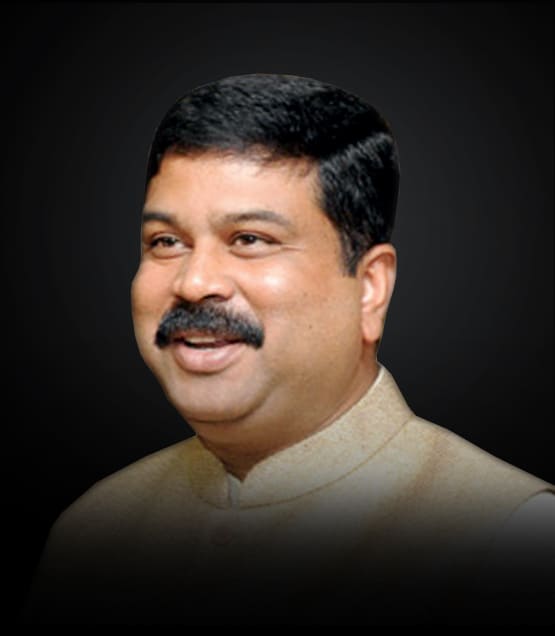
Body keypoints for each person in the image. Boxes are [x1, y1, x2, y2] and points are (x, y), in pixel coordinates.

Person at [26, 74, 554, 625]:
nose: (194, 281)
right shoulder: (92, 532)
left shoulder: (510, 537)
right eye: (167, 242)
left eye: (249, 240)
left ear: (370, 288)